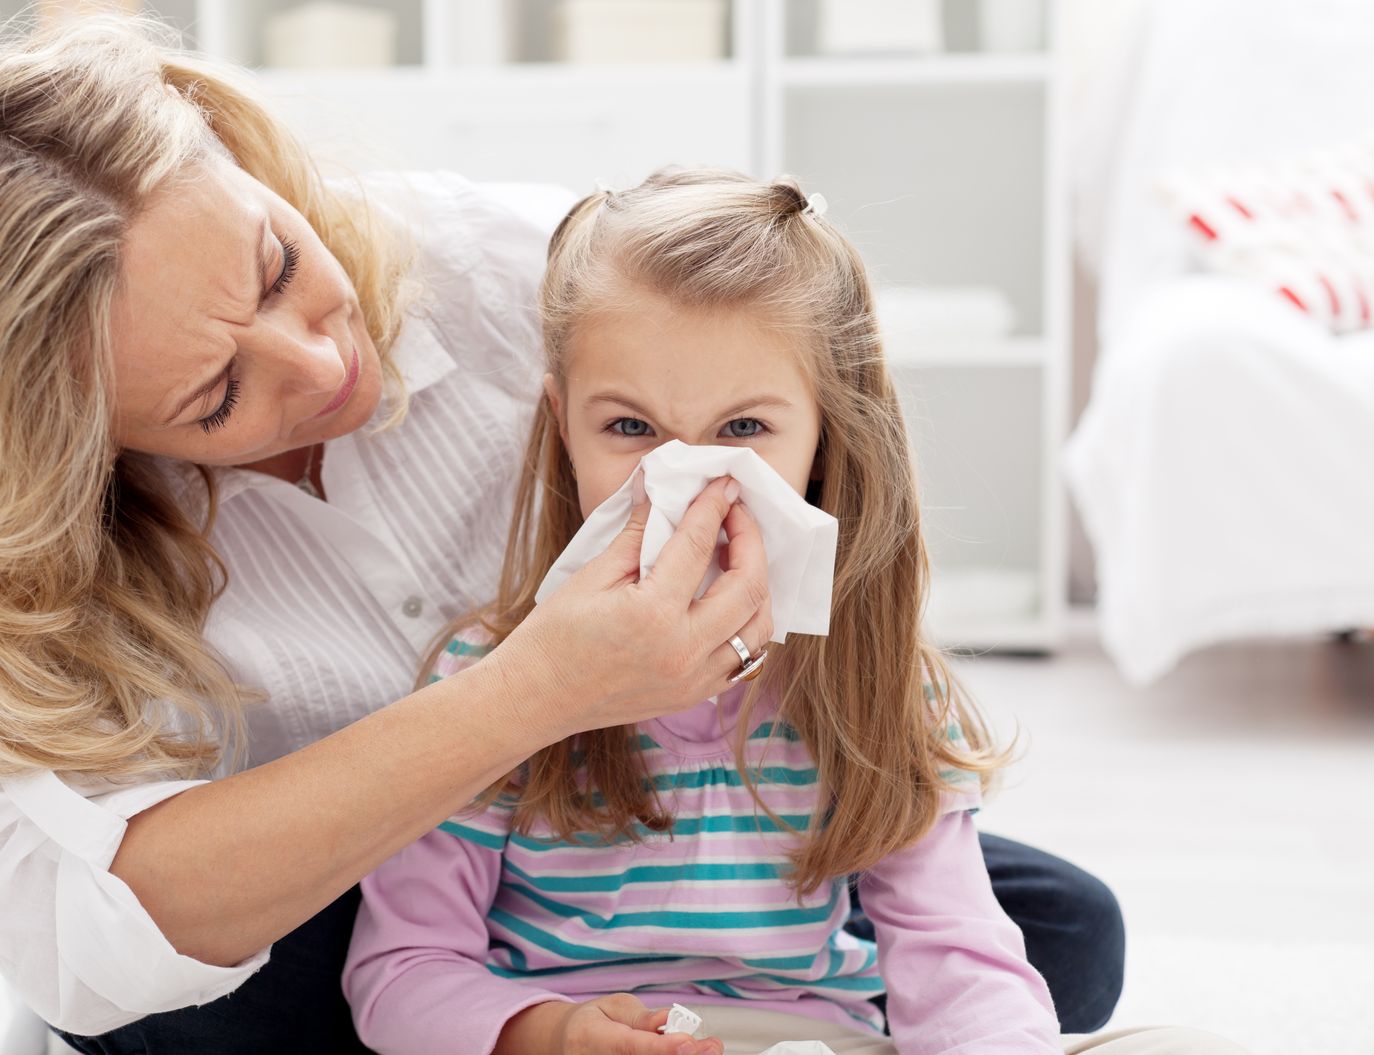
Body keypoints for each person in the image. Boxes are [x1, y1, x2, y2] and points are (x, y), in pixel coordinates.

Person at [0, 18, 1121, 1053]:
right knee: (191, 1017)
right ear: (77, 441)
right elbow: (87, 948)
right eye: (214, 395)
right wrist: (531, 690)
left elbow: (797, 411)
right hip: (324, 891)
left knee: (1057, 930)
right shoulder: (7, 553)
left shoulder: (529, 281)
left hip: (608, 834)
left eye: (279, 266)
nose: (316, 361)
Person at [343, 170, 1240, 1055]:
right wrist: (553, 1032)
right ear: (563, 422)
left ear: (824, 436)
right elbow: (401, 973)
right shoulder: (484, 677)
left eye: (743, 430)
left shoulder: (873, 682)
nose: (685, 478)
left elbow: (957, 958)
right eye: (629, 427)